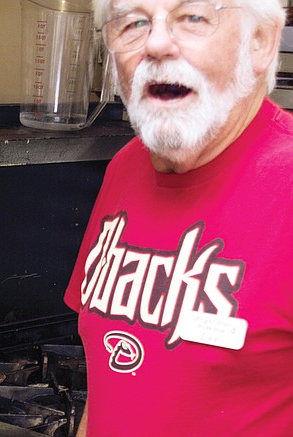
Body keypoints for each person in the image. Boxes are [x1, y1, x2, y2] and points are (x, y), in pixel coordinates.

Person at [64, 0, 293, 435]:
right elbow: (106, 389)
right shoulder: (125, 167)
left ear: (260, 42)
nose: (157, 43)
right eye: (133, 23)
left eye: (193, 17)